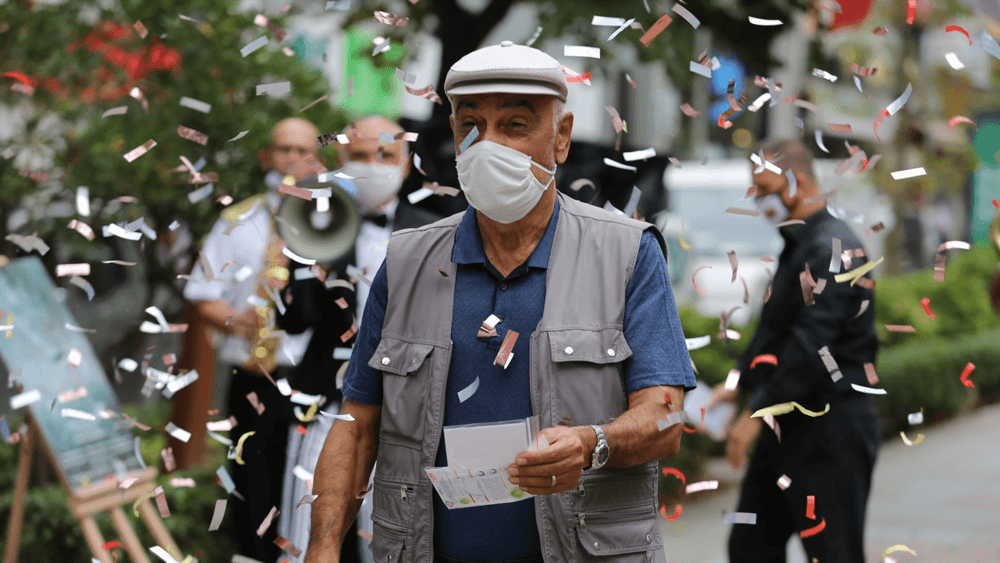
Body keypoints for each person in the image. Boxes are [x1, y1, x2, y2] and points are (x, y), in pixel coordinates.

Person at [303, 41, 696, 563]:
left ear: (561, 137)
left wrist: (591, 443)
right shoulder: (406, 262)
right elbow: (356, 428)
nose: (487, 145)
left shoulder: (625, 252)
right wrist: (324, 547)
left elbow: (665, 419)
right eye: (471, 125)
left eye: (514, 125)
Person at [275, 115, 440, 563]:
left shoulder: (434, 230)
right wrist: (306, 258)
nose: (374, 165)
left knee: (390, 531)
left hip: (404, 403)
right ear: (342, 163)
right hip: (325, 396)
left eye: (385, 156)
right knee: (305, 523)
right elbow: (294, 320)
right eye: (361, 156)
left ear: (405, 166)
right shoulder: (320, 224)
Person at [711, 139, 881, 562]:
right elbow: (773, 334)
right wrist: (736, 384)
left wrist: (756, 414)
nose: (760, 199)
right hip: (785, 426)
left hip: (830, 430)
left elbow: (810, 348)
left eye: (765, 188)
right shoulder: (802, 245)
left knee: (832, 551)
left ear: (799, 182)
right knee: (750, 546)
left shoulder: (832, 250)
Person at [182, 117, 323, 563]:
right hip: (252, 373)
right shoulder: (235, 220)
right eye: (285, 150)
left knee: (303, 484)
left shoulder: (329, 218)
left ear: (318, 161)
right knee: (250, 481)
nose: (294, 160)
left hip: (308, 377)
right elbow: (201, 293)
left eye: (304, 152)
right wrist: (232, 319)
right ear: (267, 156)